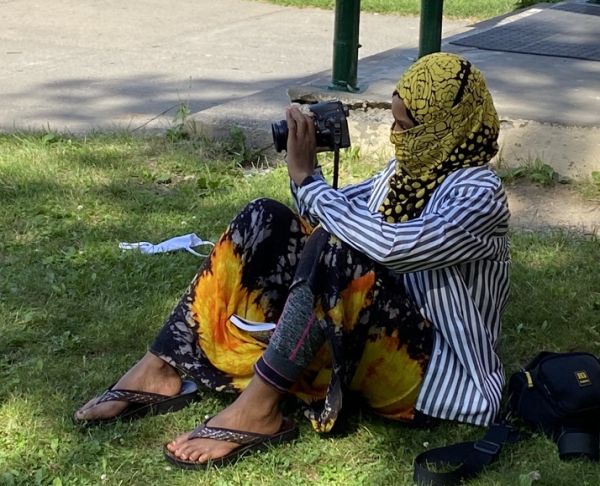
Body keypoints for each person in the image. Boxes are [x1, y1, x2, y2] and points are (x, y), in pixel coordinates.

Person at [74, 52, 510, 469]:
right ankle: (162, 366)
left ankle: (259, 408)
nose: (397, 137)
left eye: (406, 126)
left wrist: (310, 182)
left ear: (446, 129)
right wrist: (304, 170)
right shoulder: (405, 176)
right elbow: (329, 208)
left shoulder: (479, 195)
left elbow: (393, 246)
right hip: (370, 345)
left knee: (338, 248)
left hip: (429, 376)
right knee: (263, 217)